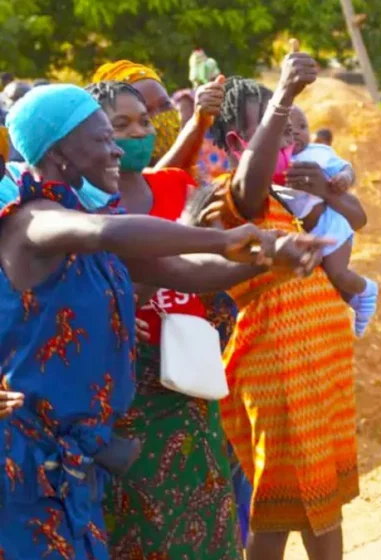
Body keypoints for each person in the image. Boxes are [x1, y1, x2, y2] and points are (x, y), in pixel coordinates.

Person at [0, 83, 326, 560]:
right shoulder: (32, 220)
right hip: (23, 469)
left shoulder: (85, 215)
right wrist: (220, 238)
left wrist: (268, 258)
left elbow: (180, 272)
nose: (117, 147)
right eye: (103, 136)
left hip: (74, 466)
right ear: (60, 152)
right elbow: (106, 233)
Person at [202, 55, 362, 560]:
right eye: (274, 132)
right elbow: (247, 188)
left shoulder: (286, 200)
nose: (288, 146)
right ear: (235, 145)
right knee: (274, 513)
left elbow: (354, 220)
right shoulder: (232, 200)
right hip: (280, 381)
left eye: (292, 135)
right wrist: (284, 97)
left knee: (322, 503)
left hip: (316, 376)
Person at [83, 80, 242, 559]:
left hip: (189, 379)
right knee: (140, 525)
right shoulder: (86, 211)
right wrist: (184, 231)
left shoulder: (175, 186)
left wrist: (263, 259)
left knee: (211, 510)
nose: (137, 133)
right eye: (121, 125)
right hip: (125, 388)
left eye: (145, 122)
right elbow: (113, 297)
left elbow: (205, 270)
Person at [278, 106, 378, 336]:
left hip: (330, 222)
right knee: (328, 278)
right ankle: (356, 303)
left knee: (338, 273)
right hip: (305, 231)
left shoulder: (318, 153)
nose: (298, 134)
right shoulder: (276, 161)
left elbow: (345, 168)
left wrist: (343, 179)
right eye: (289, 130)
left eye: (303, 127)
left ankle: (367, 290)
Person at [93, 60, 223, 175]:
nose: (159, 118)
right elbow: (157, 183)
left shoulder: (204, 161)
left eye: (165, 105)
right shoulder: (113, 182)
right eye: (146, 111)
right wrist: (196, 124)